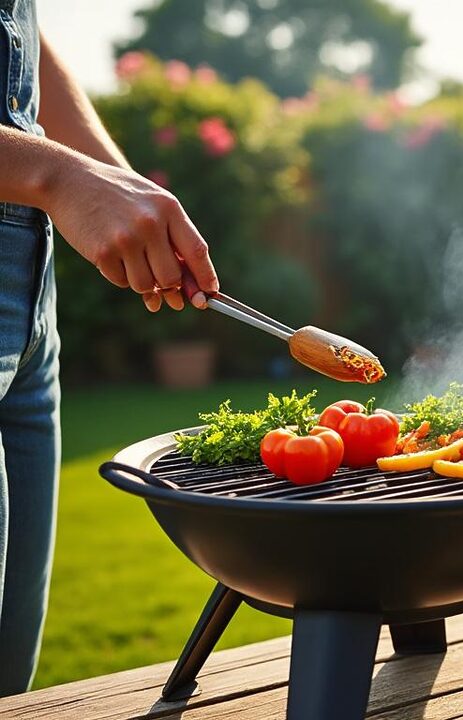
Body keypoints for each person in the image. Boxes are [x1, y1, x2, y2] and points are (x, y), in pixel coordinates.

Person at [0, 1, 219, 695]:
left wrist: (122, 187)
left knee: (8, 671)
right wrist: (58, 176)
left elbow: (23, 33)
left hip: (28, 291)